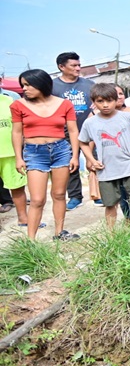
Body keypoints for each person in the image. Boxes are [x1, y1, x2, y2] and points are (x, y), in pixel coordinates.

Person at [11, 69, 80, 240]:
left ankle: (59, 232)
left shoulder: (64, 104)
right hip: (34, 153)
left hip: (61, 150)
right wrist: (19, 157)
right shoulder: (18, 105)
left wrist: (75, 156)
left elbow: (72, 131)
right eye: (22, 85)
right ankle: (31, 241)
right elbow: (17, 133)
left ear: (41, 83)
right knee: (37, 199)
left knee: (58, 194)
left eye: (27, 85)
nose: (24, 89)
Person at [79, 83, 130, 228]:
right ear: (94, 102)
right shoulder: (90, 123)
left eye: (109, 100)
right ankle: (112, 236)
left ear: (116, 99)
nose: (105, 105)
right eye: (100, 101)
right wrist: (92, 160)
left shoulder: (127, 117)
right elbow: (83, 142)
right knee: (110, 205)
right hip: (107, 171)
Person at [52, 52, 94, 211]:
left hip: (89, 130)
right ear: (61, 67)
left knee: (96, 161)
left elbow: (99, 101)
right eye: (74, 65)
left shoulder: (89, 84)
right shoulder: (52, 86)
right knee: (70, 164)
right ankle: (75, 196)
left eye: (79, 65)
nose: (78, 68)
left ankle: (100, 194)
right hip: (65, 133)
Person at [0, 94, 29, 224]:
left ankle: (23, 219)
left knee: (17, 187)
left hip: (10, 153)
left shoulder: (10, 101)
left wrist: (20, 155)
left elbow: (20, 128)